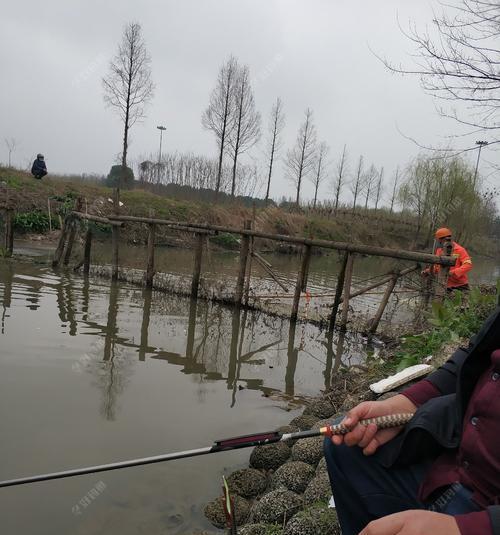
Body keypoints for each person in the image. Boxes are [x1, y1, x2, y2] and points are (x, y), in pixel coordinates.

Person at [324, 307, 500, 535]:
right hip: (457, 467)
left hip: (485, 512)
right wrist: (404, 404)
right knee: (347, 450)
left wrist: (467, 528)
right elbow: (476, 355)